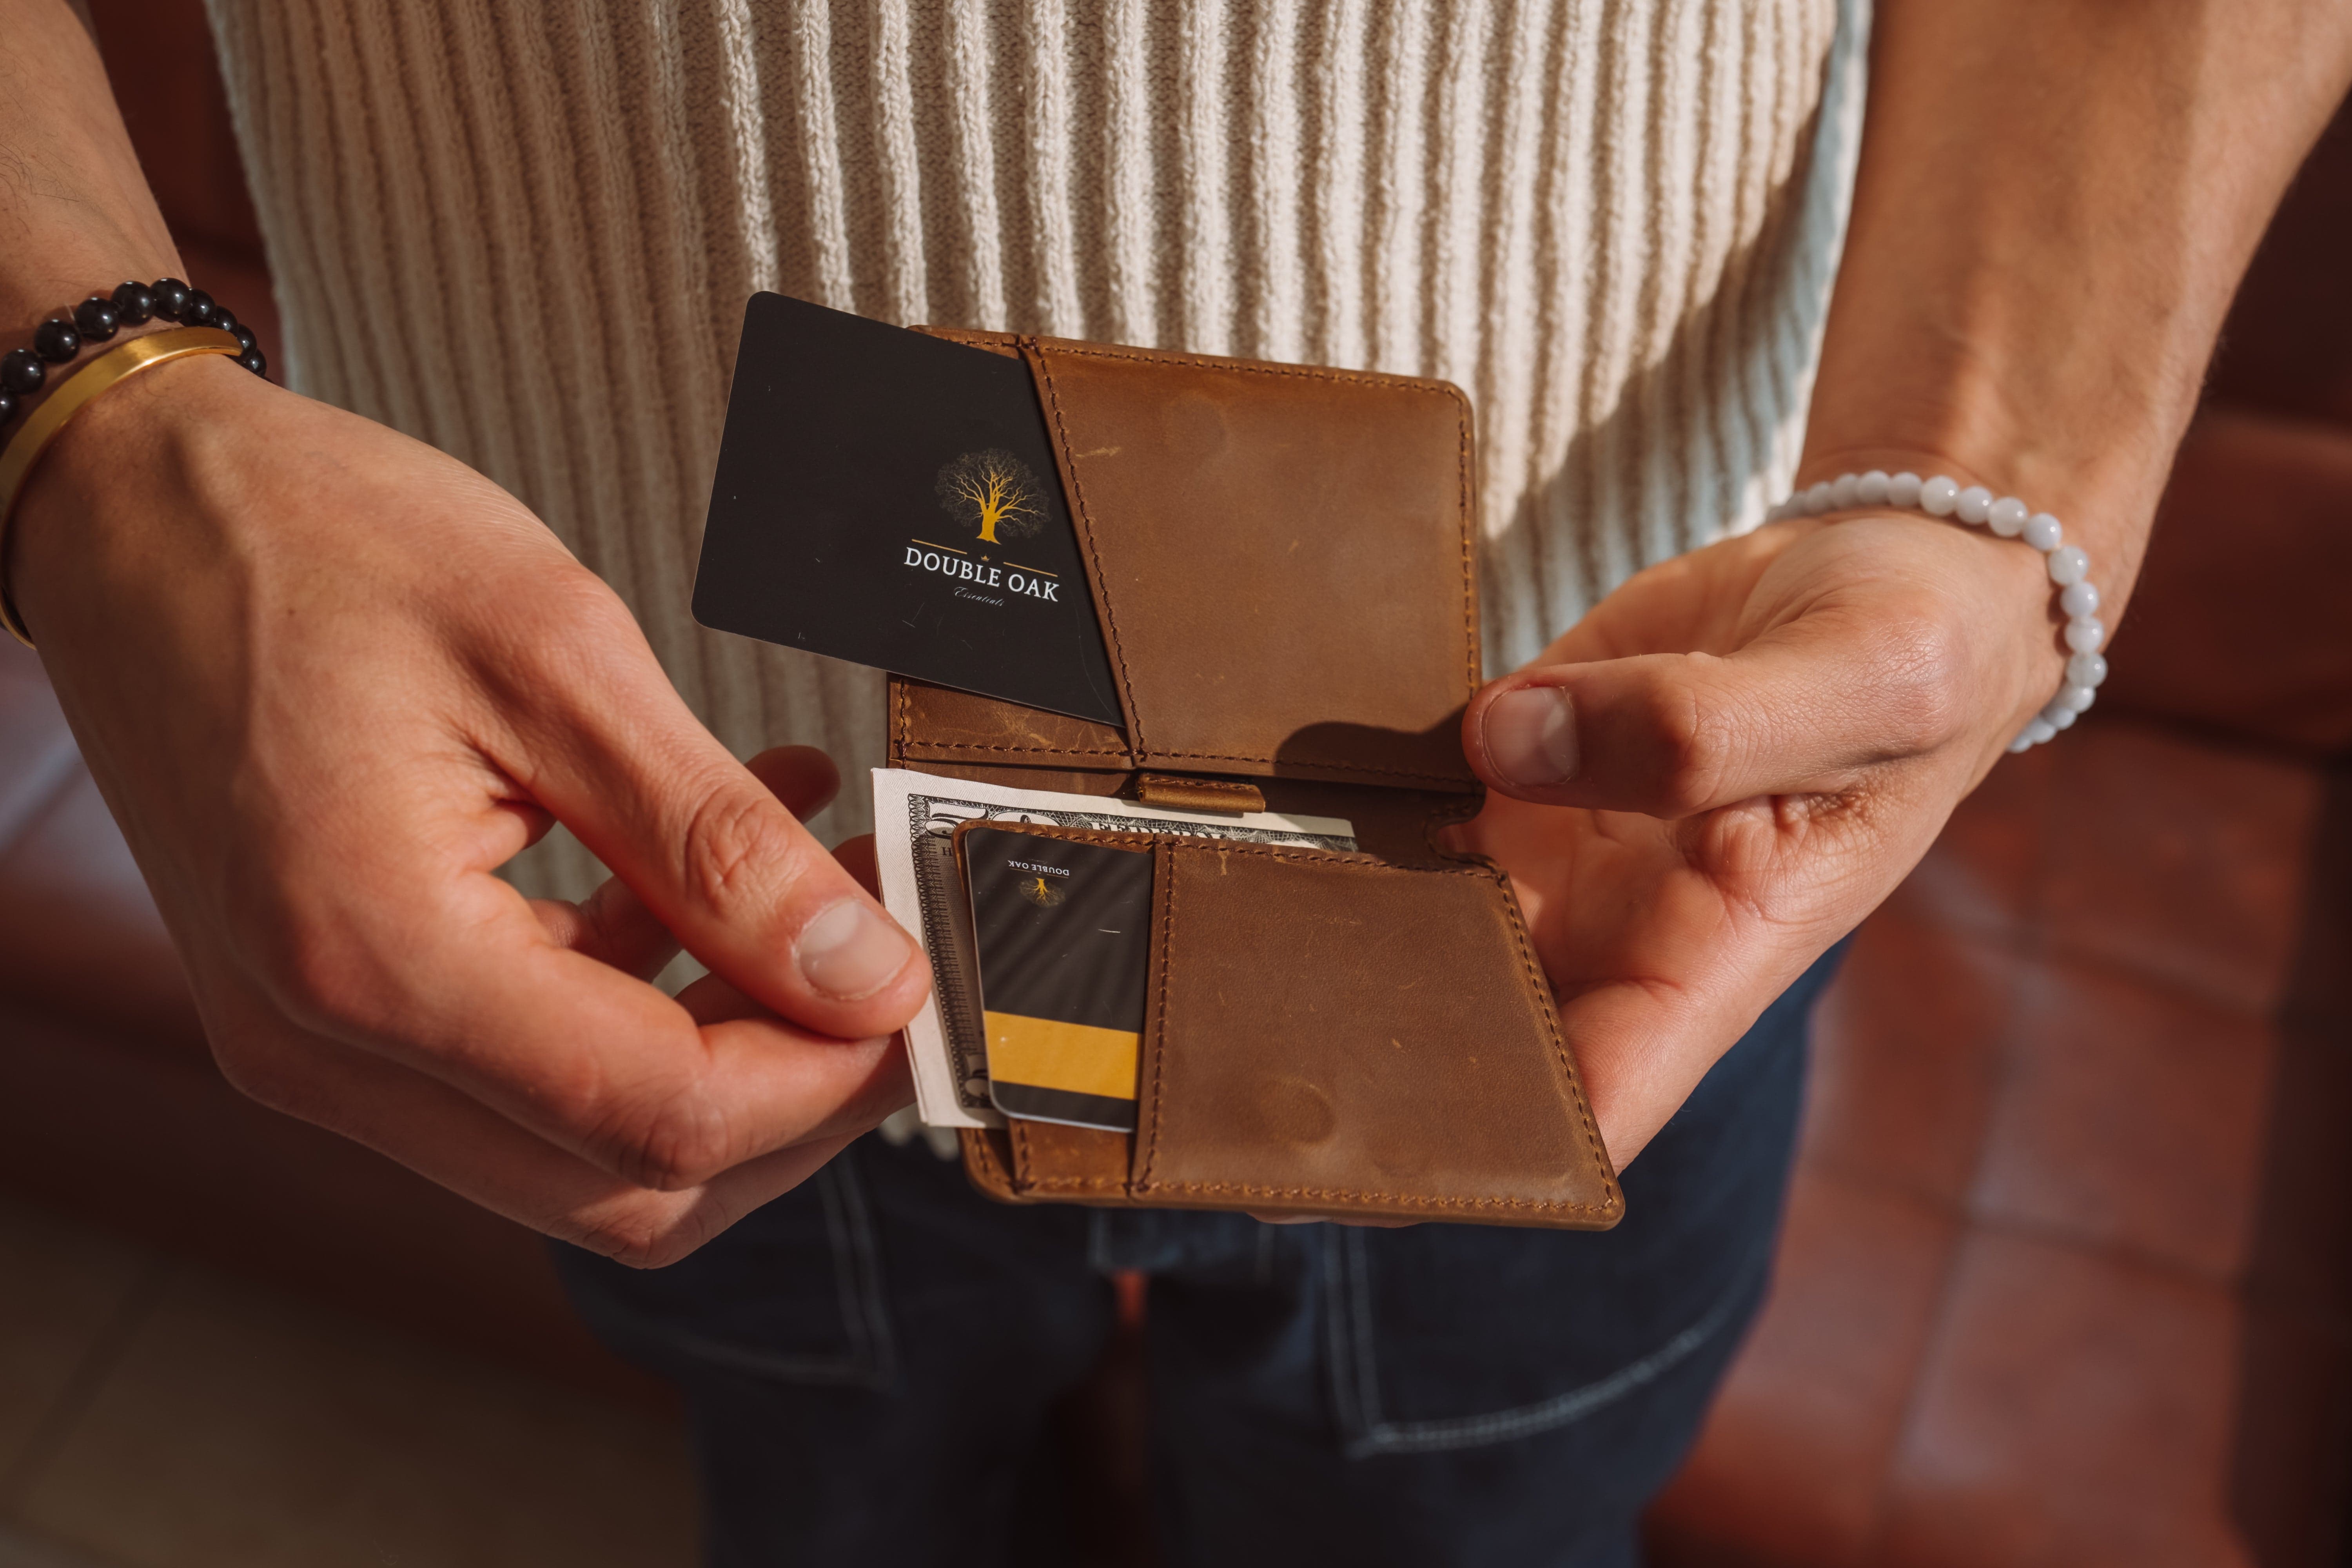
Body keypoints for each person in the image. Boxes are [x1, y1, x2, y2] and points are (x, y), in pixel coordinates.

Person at [2, 0, 2346, 1562]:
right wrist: (91, 426)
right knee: (833, 1515)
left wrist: (1996, 491)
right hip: (641, 873)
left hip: (1593, 879)